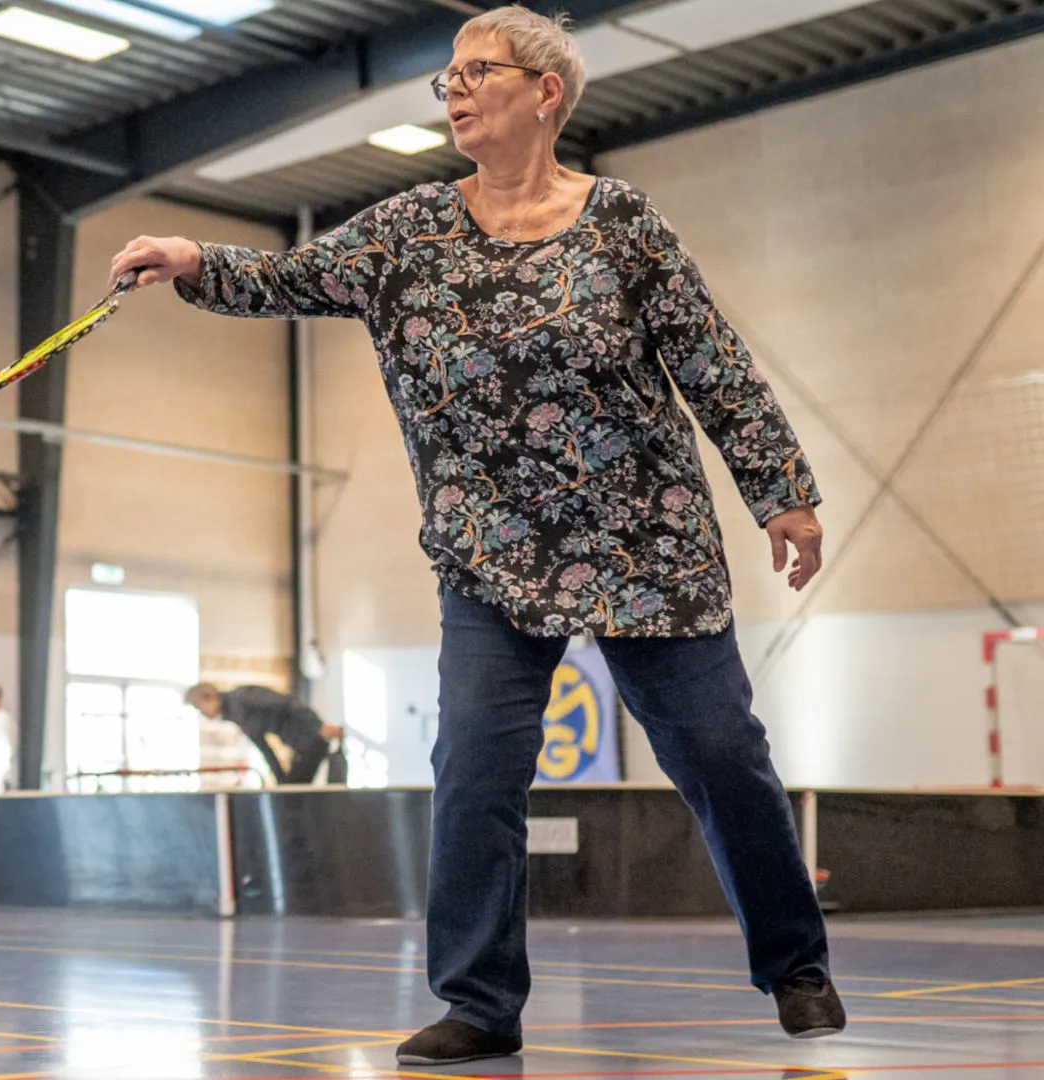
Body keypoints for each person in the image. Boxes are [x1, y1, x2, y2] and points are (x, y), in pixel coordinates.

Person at [108, 6, 840, 1064]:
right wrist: (189, 254)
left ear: (545, 92)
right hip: (488, 557)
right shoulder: (406, 232)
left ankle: (796, 966)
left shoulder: (624, 223)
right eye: (443, 76)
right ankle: (480, 1004)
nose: (451, 88)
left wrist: (783, 492)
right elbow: (284, 279)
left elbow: (713, 364)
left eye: (474, 71)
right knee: (475, 773)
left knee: (725, 760)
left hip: (650, 549)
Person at [185, 683, 341, 785]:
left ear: (210, 697)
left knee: (296, 790)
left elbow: (287, 702)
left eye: (200, 707)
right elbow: (264, 748)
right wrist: (280, 781)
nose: (203, 713)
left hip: (309, 736)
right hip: (299, 743)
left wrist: (317, 726)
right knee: (291, 789)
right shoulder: (234, 715)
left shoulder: (242, 697)